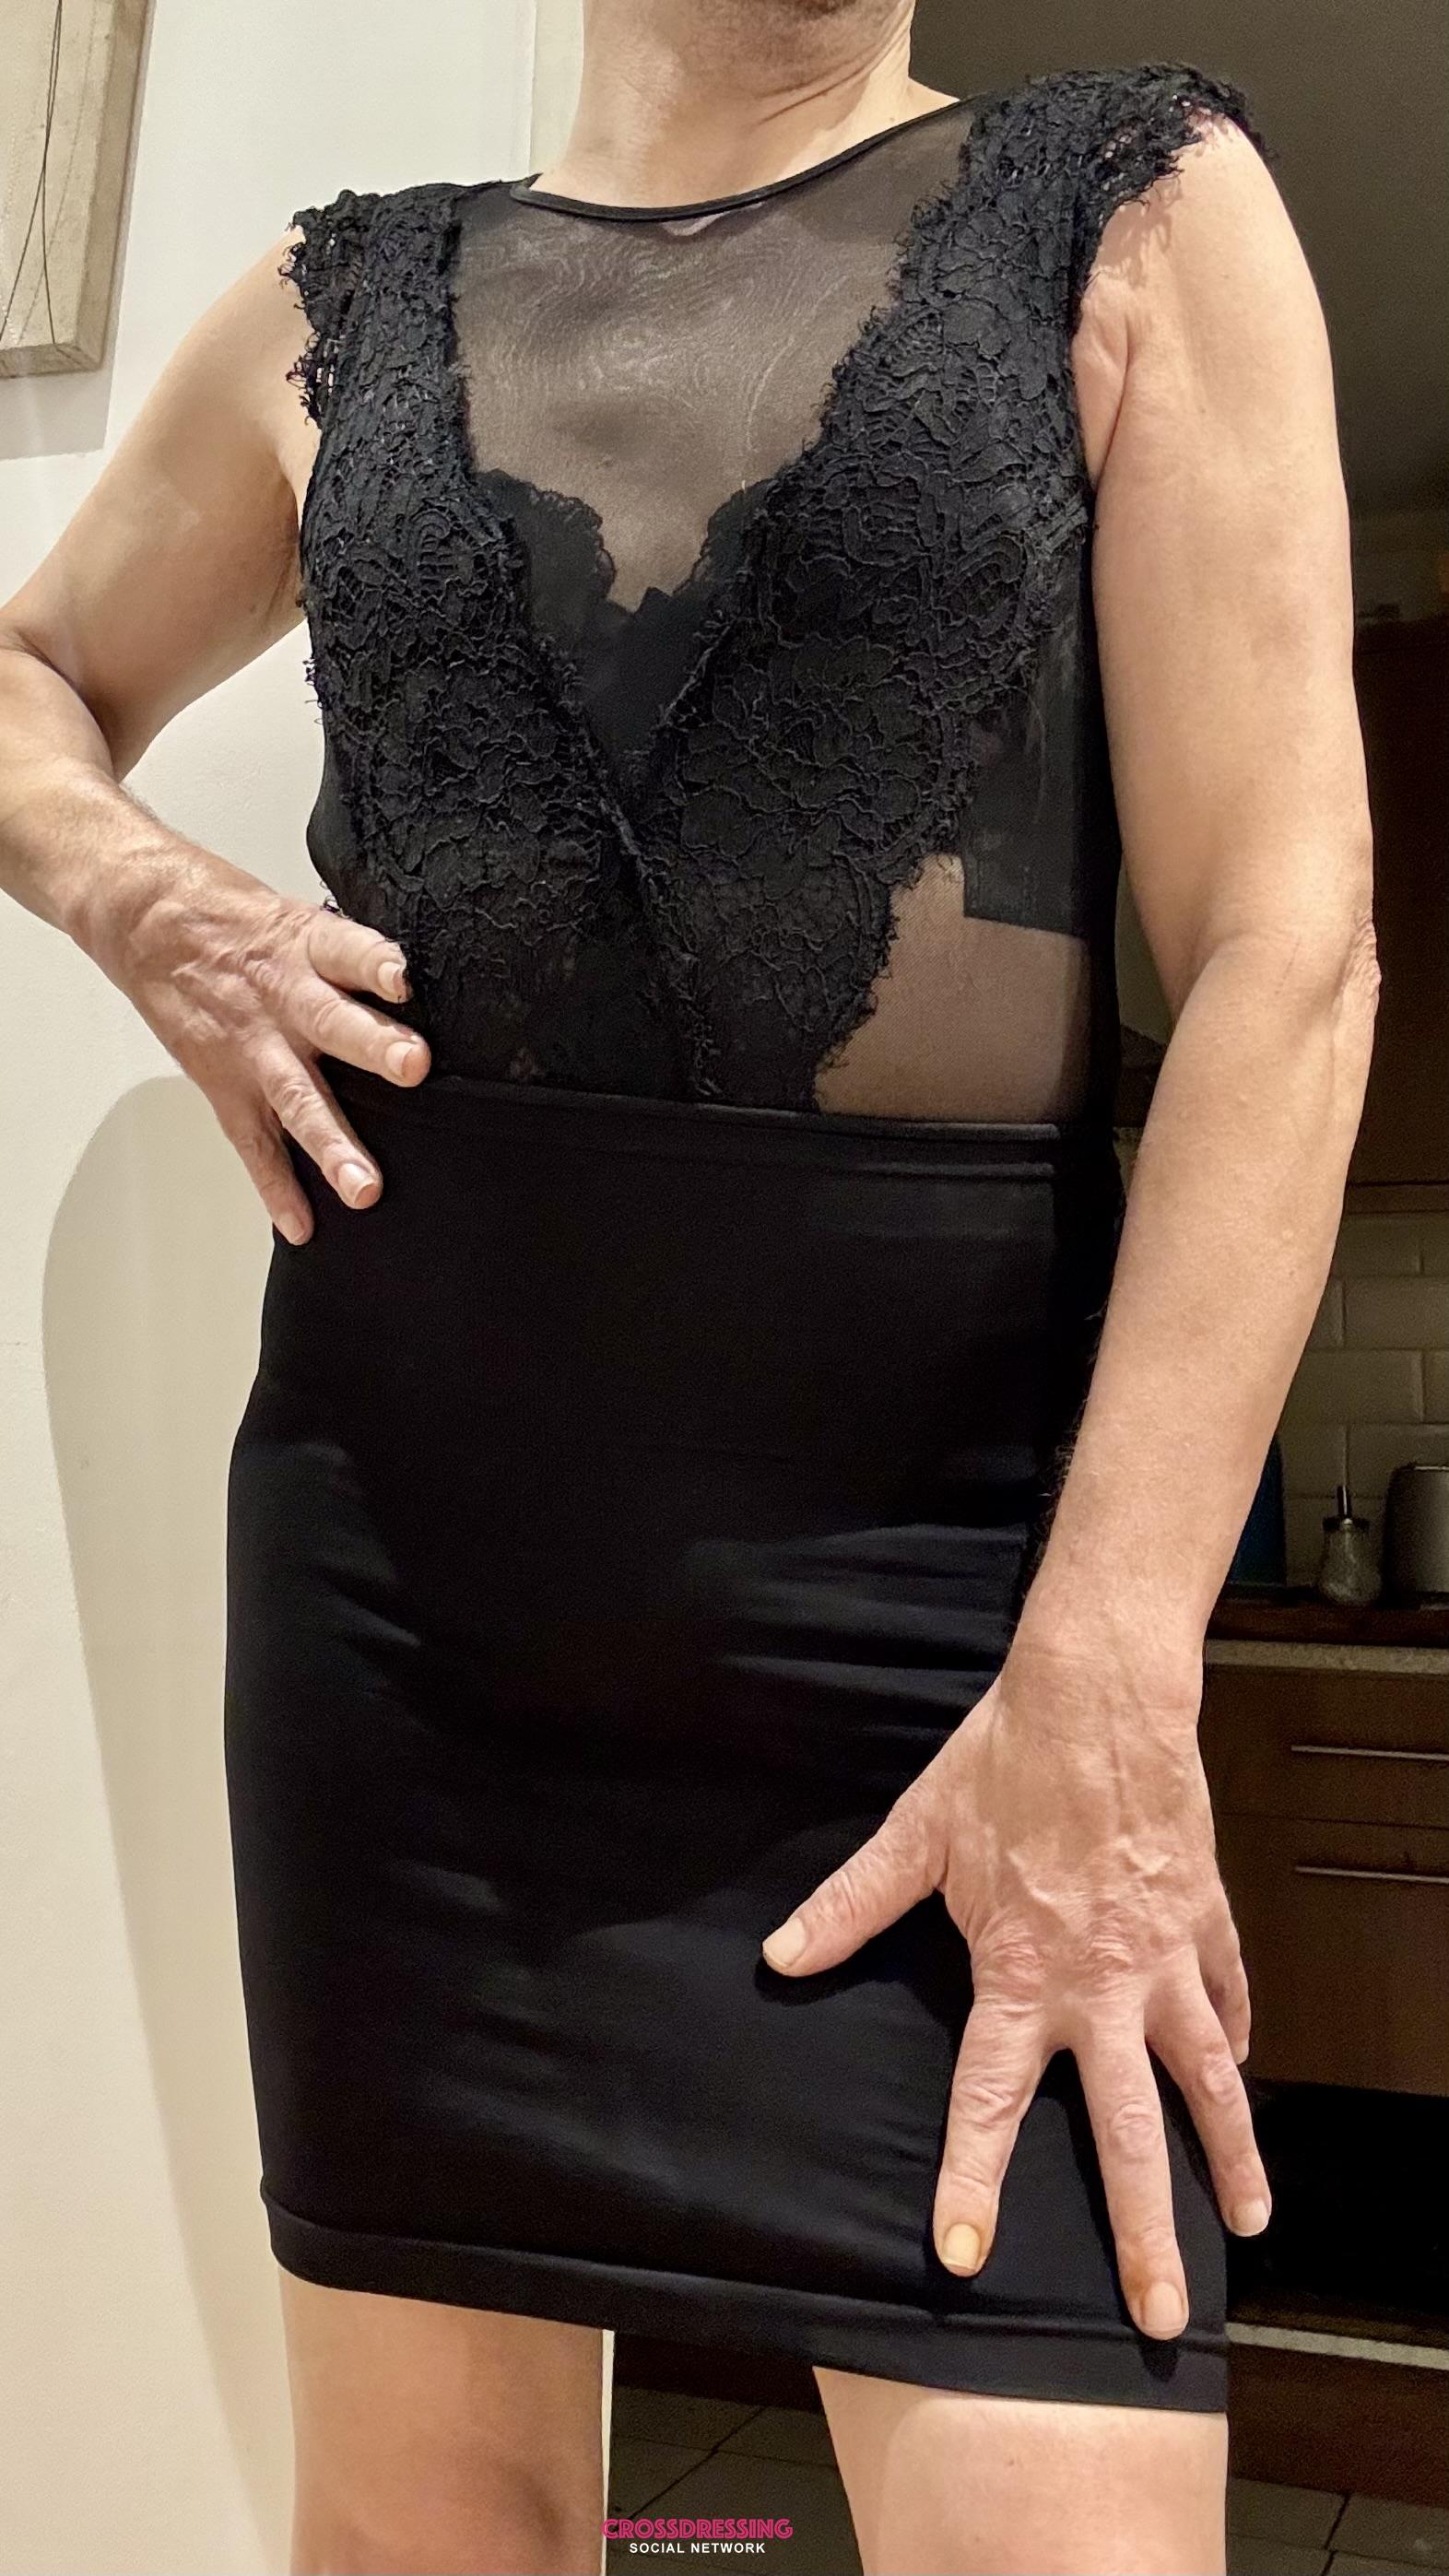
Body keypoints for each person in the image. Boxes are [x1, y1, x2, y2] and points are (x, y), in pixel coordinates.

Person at [0, 0, 1375, 2569]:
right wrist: (138, 899)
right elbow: (25, 670)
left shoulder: (1133, 208)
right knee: (420, 2534)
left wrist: (1107, 1678)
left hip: (953, 1629)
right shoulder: (340, 300)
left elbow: (1285, 961)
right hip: (409, 1610)